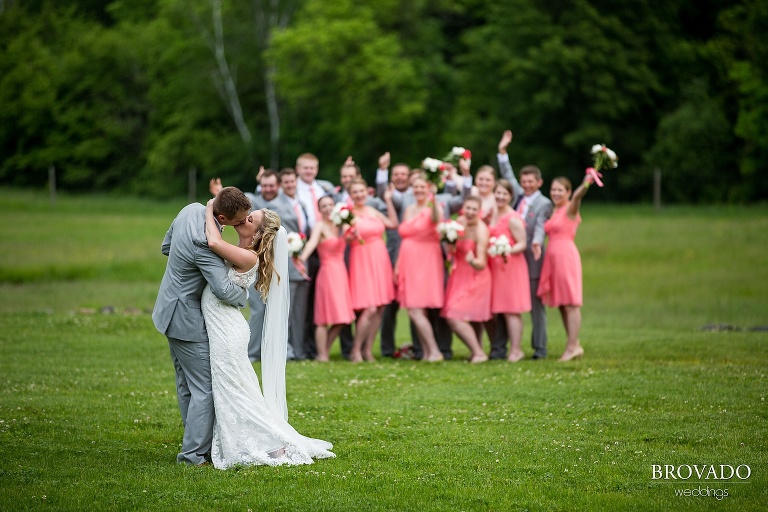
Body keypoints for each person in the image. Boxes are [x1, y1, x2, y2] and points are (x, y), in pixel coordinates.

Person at [200, 197, 335, 468]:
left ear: (259, 235)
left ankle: (272, 444)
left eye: (251, 219)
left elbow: (213, 242)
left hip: (227, 331)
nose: (244, 219)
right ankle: (271, 441)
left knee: (234, 391)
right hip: (225, 326)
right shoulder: (239, 248)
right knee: (240, 389)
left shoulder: (248, 256)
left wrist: (209, 207)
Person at [152, 187, 251, 466]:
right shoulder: (204, 244)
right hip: (185, 319)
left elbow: (166, 247)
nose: (242, 224)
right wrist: (245, 292)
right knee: (204, 388)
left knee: (186, 384)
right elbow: (224, 290)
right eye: (238, 221)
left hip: (166, 308)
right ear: (222, 216)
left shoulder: (189, 210)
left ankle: (195, 443)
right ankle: (193, 455)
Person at [497, 129, 553, 359]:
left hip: (531, 259)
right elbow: (507, 175)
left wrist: (537, 243)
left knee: (535, 307)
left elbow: (540, 226)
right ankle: (502, 347)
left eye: (531, 182)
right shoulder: (517, 195)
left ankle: (539, 348)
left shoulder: (544, 203)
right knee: (507, 305)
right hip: (509, 261)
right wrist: (502, 151)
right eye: (524, 181)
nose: (527, 185)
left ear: (539, 182)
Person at [537, 175, 592, 361]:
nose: (556, 193)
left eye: (560, 190)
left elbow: (578, 197)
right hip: (552, 259)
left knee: (571, 303)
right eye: (553, 189)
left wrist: (586, 182)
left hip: (565, 257)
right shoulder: (554, 211)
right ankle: (574, 344)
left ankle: (571, 347)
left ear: (568, 192)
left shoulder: (570, 208)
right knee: (561, 304)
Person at [347, 177, 399, 362]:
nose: (360, 195)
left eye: (362, 191)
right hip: (361, 260)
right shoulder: (347, 214)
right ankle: (356, 350)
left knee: (379, 308)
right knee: (369, 308)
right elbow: (346, 236)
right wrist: (350, 234)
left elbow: (393, 224)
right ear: (350, 195)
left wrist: (388, 200)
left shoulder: (372, 210)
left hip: (380, 259)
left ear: (367, 192)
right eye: (355, 192)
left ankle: (368, 350)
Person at [298, 195, 356, 361]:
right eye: (324, 206)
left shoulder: (342, 224)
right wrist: (301, 258)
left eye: (331, 204)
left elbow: (352, 238)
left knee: (343, 317)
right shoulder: (320, 226)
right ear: (320, 209)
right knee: (324, 317)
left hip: (341, 273)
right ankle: (322, 355)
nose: (328, 208)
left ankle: (324, 351)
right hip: (328, 273)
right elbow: (311, 244)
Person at [394, 174, 445, 362]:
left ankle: (434, 350)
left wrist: (434, 198)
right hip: (408, 261)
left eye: (422, 187)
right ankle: (427, 352)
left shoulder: (433, 207)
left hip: (427, 261)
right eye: (415, 187)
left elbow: (437, 219)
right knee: (416, 310)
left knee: (415, 310)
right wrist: (398, 265)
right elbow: (404, 238)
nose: (418, 190)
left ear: (428, 188)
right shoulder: (409, 209)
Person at [440, 196, 491, 363]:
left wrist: (472, 261)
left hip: (476, 276)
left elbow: (482, 263)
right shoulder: (459, 222)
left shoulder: (481, 230)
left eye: (474, 210)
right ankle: (477, 351)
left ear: (479, 211)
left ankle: (478, 353)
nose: (470, 212)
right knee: (470, 317)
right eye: (467, 208)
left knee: (453, 316)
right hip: (459, 275)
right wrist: (450, 246)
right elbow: (454, 246)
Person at [295, 153, 335, 359]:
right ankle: (306, 347)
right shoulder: (295, 190)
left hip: (328, 246)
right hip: (308, 241)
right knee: (306, 300)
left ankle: (319, 347)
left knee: (321, 299)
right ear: (298, 169)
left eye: (312, 168)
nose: (309, 171)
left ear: (317, 169)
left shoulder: (324, 189)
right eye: (305, 168)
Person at [487, 180, 530, 362]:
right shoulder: (492, 215)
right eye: (497, 193)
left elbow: (522, 243)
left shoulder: (513, 218)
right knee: (501, 310)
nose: (500, 197)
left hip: (511, 266)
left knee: (512, 310)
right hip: (496, 268)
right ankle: (502, 348)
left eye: (504, 194)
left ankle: (516, 349)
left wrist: (506, 250)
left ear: (510, 196)